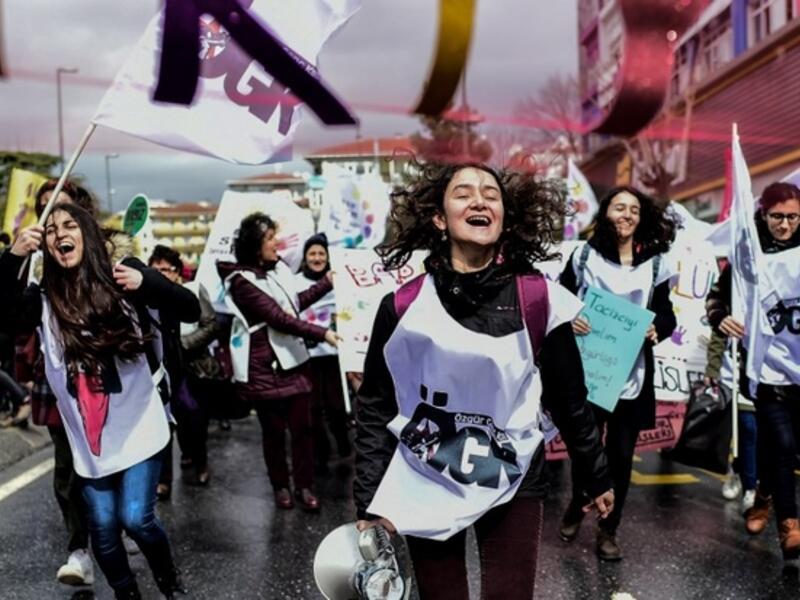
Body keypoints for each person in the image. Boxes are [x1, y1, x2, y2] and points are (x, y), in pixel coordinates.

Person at [353, 163, 613, 600]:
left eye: (491, 194)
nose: (479, 200)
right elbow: (377, 403)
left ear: (505, 219)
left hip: (512, 474)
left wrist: (596, 474)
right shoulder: (401, 306)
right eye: (463, 193)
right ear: (439, 218)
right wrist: (368, 500)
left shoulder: (540, 300)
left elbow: (571, 399)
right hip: (426, 475)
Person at [0, 202, 200, 599]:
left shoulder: (125, 275)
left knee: (136, 519)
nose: (60, 235)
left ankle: (170, 584)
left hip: (139, 419)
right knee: (104, 528)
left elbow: (190, 309)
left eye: (70, 225)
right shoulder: (43, 299)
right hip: (88, 436)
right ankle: (128, 594)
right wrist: (13, 257)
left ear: (88, 234)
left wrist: (150, 285)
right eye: (51, 230)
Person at [558, 185, 677, 561]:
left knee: (621, 458)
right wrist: (570, 319)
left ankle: (609, 531)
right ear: (605, 213)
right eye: (618, 207)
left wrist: (658, 327)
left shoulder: (657, 262)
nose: (626, 214)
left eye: (634, 210)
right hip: (590, 373)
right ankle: (579, 501)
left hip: (632, 375)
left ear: (643, 219)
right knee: (585, 451)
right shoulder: (583, 257)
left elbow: (666, 312)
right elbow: (560, 301)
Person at [10, 179, 100, 585]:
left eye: (59, 207)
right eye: (43, 209)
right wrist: (12, 258)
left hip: (107, 385)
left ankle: (121, 526)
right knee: (68, 469)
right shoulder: (33, 263)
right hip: (59, 384)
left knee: (108, 468)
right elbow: (9, 315)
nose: (52, 219)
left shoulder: (107, 256)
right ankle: (79, 551)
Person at [217, 213, 339, 511]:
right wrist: (323, 333)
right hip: (264, 368)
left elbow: (295, 305)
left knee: (304, 430)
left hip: (295, 362)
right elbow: (278, 318)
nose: (277, 243)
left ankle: (306, 486)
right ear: (254, 245)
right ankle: (281, 486)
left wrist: (326, 283)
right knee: (273, 433)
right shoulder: (240, 281)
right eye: (270, 238)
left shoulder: (280, 270)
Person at [705, 181, 800, 559]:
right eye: (777, 216)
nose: (785, 224)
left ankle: (762, 494)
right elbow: (717, 298)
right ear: (763, 214)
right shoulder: (747, 253)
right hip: (764, 371)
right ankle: (789, 526)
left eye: (793, 217)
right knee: (784, 444)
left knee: (784, 446)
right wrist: (721, 317)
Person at [149, 244, 219, 486]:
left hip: (193, 370)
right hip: (161, 373)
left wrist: (181, 345)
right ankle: (164, 480)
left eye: (165, 269)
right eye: (154, 269)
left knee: (195, 423)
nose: (160, 274)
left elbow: (211, 325)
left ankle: (201, 463)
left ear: (177, 272)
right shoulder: (146, 300)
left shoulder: (192, 291)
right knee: (162, 428)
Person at [296, 233, 351, 469]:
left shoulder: (340, 278)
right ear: (305, 257)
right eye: (312, 253)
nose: (317, 258)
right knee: (313, 409)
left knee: (337, 407)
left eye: (321, 253)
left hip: (334, 354)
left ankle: (343, 443)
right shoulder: (295, 281)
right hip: (307, 355)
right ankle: (321, 453)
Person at [704, 328, 757, 512]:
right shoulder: (733, 302)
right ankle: (751, 488)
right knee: (748, 429)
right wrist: (712, 367)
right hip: (735, 378)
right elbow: (719, 333)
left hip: (766, 376)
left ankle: (737, 468)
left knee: (764, 436)